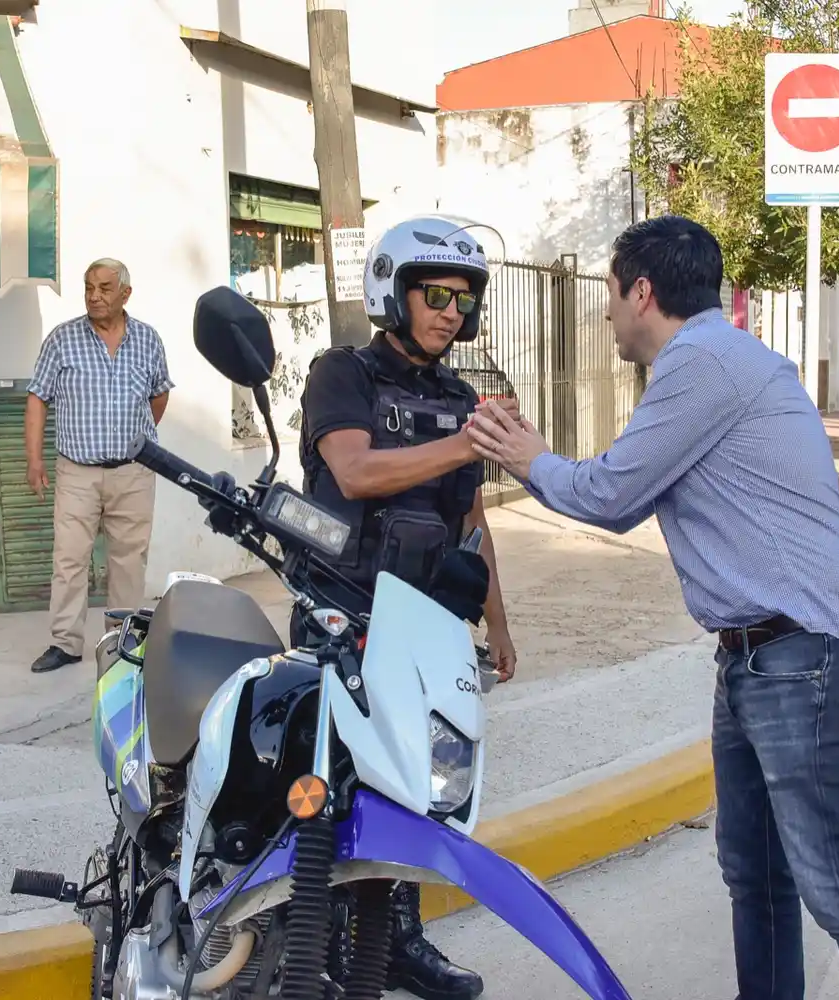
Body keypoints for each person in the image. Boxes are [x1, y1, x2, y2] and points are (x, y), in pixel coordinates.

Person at [467, 215, 839, 1000]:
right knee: (756, 876)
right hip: (758, 657)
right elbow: (621, 487)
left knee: (838, 886)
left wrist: (527, 457)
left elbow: (613, 494)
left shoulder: (703, 363)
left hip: (801, 657)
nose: (607, 314)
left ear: (642, 291)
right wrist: (544, 453)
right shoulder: (713, 361)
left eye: (611, 295)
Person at [294, 214, 518, 1000]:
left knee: (424, 781)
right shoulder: (341, 373)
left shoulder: (462, 396)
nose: (450, 311)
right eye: (435, 294)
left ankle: (399, 944)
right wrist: (467, 443)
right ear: (395, 291)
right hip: (338, 606)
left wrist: (497, 617)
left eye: (463, 299)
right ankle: (310, 942)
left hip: (424, 618)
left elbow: (471, 522)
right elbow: (353, 473)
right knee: (329, 781)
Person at [24, 258, 173, 674]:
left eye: (105, 288)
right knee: (70, 559)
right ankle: (65, 643)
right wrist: (34, 460)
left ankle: (121, 642)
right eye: (89, 286)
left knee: (128, 560)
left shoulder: (147, 340)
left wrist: (132, 440)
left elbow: (158, 397)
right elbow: (37, 398)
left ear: (125, 293)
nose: (94, 295)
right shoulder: (62, 340)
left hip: (133, 471)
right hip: (77, 471)